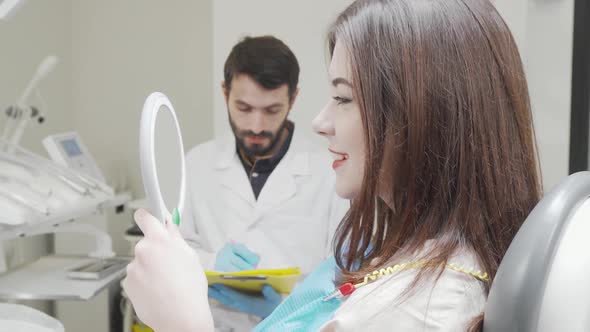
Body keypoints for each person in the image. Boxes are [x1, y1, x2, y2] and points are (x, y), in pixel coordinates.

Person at [123, 0, 542, 331]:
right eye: (243, 107)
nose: (320, 123)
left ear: (423, 115)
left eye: (343, 98)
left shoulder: (419, 310)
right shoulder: (412, 258)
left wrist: (184, 325)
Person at [178, 35, 349, 330]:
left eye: (271, 111)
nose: (256, 126)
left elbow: (342, 282)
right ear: (224, 93)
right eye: (243, 108)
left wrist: (285, 307)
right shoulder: (197, 163)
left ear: (293, 99)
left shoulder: (330, 172)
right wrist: (210, 262)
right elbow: (175, 250)